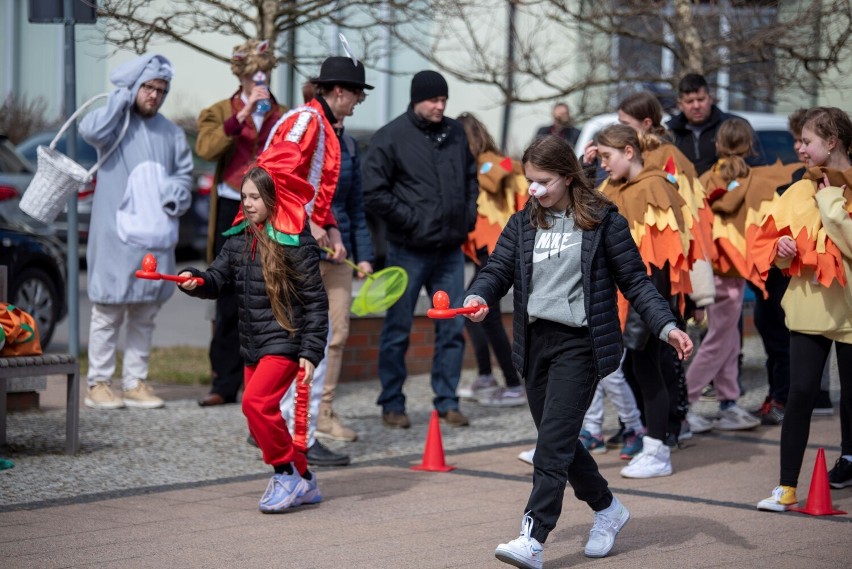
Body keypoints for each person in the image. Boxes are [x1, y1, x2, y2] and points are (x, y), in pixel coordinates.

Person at [463, 134, 693, 569]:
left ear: (568, 178)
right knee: (561, 438)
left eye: (543, 181)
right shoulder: (523, 221)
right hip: (534, 343)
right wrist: (479, 297)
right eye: (529, 180)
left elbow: (636, 281)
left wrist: (666, 326)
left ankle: (533, 537)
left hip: (580, 344)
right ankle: (608, 510)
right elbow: (496, 269)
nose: (534, 189)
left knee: (551, 445)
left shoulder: (603, 220)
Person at [177, 142, 328, 513]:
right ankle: (305, 479)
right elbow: (217, 279)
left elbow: (315, 302)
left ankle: (284, 473)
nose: (246, 203)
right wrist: (195, 280)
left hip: (285, 340)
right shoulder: (239, 239)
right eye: (243, 196)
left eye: (255, 197)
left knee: (255, 403)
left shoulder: (296, 242)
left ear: (272, 198)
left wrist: (310, 351)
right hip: (253, 342)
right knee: (257, 411)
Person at [269, 54, 373, 466]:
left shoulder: (324, 125)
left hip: (306, 243)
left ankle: (294, 434)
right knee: (308, 342)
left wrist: (328, 228)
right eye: (357, 95)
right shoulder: (307, 122)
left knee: (308, 342)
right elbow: (273, 175)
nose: (359, 103)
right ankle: (297, 439)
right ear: (339, 91)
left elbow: (316, 190)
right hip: (290, 248)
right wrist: (305, 222)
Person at [363, 70, 478, 429]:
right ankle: (392, 404)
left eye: (444, 100)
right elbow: (373, 191)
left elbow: (470, 178)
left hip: (449, 251)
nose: (440, 106)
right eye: (433, 100)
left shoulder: (455, 133)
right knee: (397, 329)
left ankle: (447, 400)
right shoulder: (391, 137)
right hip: (407, 250)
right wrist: (410, 221)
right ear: (416, 100)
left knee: (451, 331)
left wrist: (468, 216)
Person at [79, 54, 193, 410]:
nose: (154, 96)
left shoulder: (172, 133)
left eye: (161, 90)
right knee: (108, 310)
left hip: (157, 237)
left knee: (145, 312)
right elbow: (90, 130)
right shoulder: (115, 123)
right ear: (135, 88)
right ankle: (98, 382)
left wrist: (175, 193)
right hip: (116, 235)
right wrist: (121, 97)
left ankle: (135, 381)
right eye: (148, 87)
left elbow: (184, 175)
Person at [753, 106, 852, 510]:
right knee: (800, 393)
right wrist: (780, 250)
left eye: (807, 141)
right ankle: (786, 486)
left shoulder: (834, 192)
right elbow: (769, 245)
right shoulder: (797, 190)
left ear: (831, 143)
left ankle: (848, 461)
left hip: (849, 312)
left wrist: (830, 198)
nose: (800, 148)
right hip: (808, 309)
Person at [592, 124, 701, 478]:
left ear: (628, 151)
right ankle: (652, 444)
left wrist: (646, 309)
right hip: (624, 298)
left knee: (649, 370)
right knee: (640, 370)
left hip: (648, 299)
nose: (603, 165)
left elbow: (661, 254)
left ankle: (657, 447)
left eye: (607, 157)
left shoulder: (655, 187)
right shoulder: (614, 188)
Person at [195, 39, 286, 408]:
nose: (258, 80)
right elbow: (205, 149)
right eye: (252, 75)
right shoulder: (219, 111)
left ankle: (265, 381)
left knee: (270, 296)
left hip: (270, 212)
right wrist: (243, 114)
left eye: (262, 74)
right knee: (228, 297)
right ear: (242, 76)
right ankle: (224, 381)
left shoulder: (284, 114)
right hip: (232, 207)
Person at [685, 118, 773, 434]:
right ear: (749, 145)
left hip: (711, 266)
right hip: (734, 269)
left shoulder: (707, 177)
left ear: (718, 145)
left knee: (728, 337)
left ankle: (728, 402)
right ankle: (684, 404)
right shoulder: (756, 180)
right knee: (718, 341)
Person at [299, 81, 375, 445]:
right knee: (300, 336)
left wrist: (364, 255)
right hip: (303, 249)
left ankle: (323, 411)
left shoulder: (349, 146)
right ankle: (293, 413)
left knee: (338, 333)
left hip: (338, 251)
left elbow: (356, 206)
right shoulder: (306, 132)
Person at [456, 112, 527, 407]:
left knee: (486, 314)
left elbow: (498, 177)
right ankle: (487, 376)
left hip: (498, 249)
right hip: (486, 249)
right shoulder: (483, 163)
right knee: (476, 313)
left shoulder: (491, 162)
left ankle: (512, 384)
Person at [666, 73, 764, 176]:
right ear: (680, 104)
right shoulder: (671, 134)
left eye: (701, 99)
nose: (696, 106)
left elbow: (758, 168)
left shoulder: (735, 127)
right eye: (690, 101)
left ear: (710, 98)